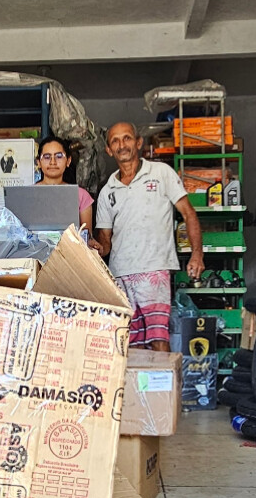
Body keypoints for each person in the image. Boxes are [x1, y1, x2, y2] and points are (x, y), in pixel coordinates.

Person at [95, 119, 202, 347]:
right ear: (109, 150)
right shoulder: (106, 192)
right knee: (129, 345)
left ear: (138, 142)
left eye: (127, 138)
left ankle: (164, 373)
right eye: (115, 141)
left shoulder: (161, 173)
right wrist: (90, 248)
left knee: (157, 339)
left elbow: (189, 213)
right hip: (120, 274)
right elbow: (106, 243)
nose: (122, 145)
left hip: (154, 271)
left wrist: (197, 254)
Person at [36, 132, 93, 233]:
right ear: (38, 163)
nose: (53, 162)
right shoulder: (27, 195)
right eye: (47, 157)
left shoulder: (81, 195)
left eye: (59, 156)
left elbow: (86, 236)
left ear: (68, 161)